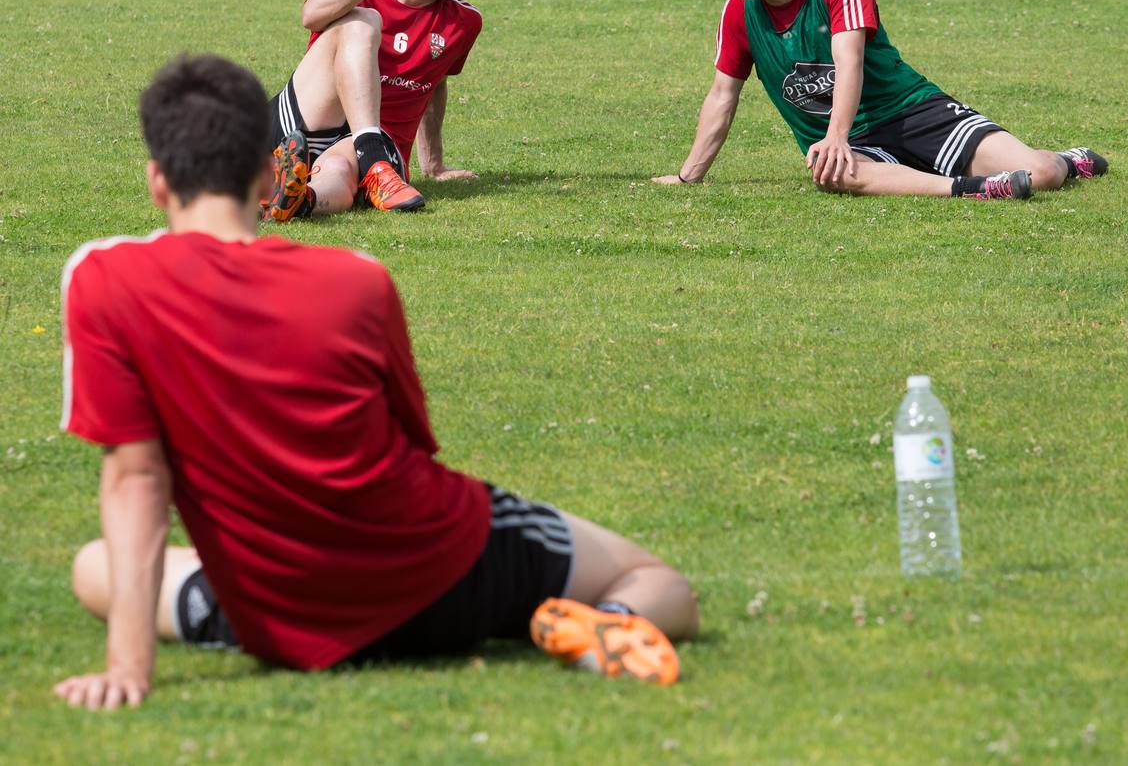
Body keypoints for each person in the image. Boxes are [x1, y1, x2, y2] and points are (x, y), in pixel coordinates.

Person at [55, 54, 698, 711]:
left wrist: (128, 666)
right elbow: (411, 443)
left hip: (279, 615)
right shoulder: (355, 279)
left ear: (157, 181)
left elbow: (135, 477)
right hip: (444, 583)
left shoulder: (102, 280)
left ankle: (247, 608)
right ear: (267, 170)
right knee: (655, 581)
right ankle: (599, 624)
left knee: (95, 567)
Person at [653, 0, 1108, 200]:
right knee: (833, 172)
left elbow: (849, 64)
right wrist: (689, 175)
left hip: (911, 114)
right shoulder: (739, 11)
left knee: (1042, 174)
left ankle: (1068, 160)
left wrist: (833, 136)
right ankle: (975, 189)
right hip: (856, 144)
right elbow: (721, 96)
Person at [261, 0, 484, 222]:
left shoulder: (464, 21)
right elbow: (310, 16)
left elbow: (435, 82)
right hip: (306, 120)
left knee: (338, 167)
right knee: (363, 21)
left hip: (363, 152)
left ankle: (298, 200)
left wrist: (434, 164)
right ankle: (371, 158)